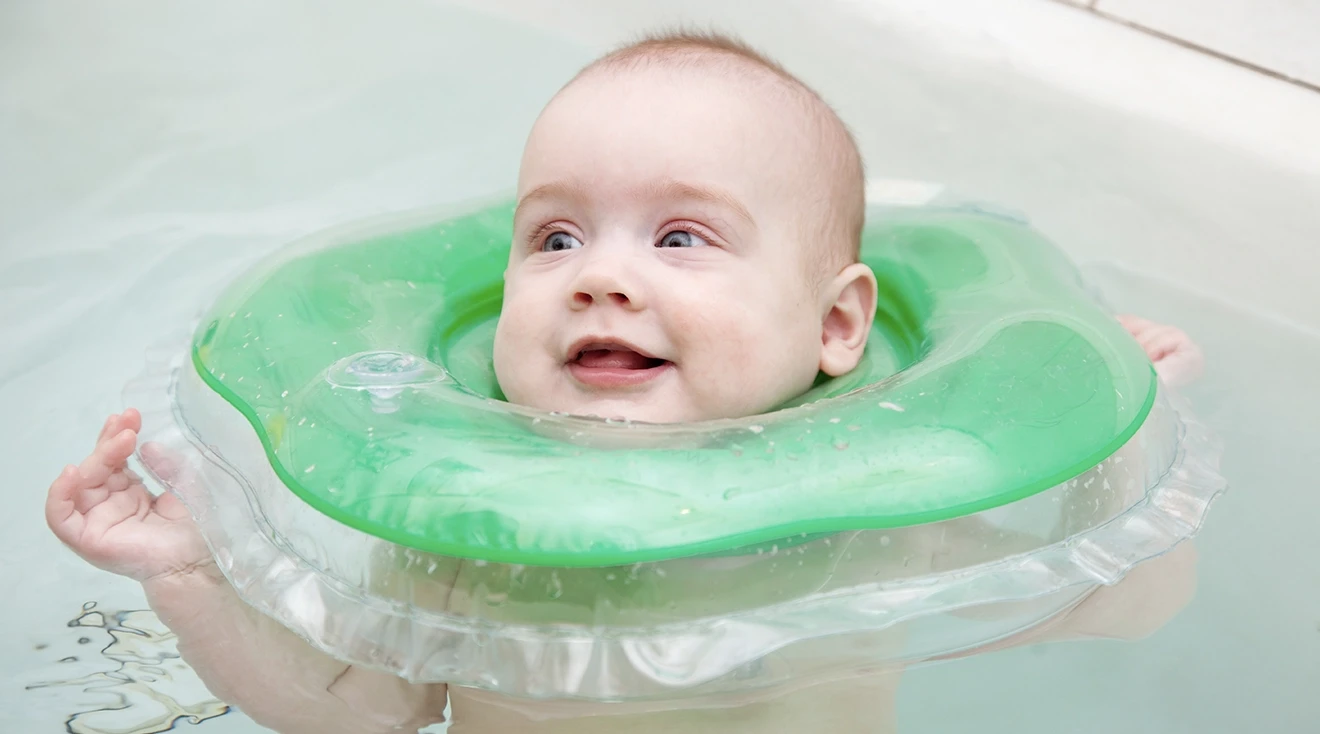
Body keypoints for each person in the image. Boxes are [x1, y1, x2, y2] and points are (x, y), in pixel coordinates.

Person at [45, 31, 1205, 733]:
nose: (599, 275)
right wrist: (188, 572)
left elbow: (1124, 605)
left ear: (840, 324)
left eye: (682, 237)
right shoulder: (479, 516)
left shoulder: (873, 507)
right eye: (554, 239)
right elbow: (358, 708)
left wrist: (1125, 432)